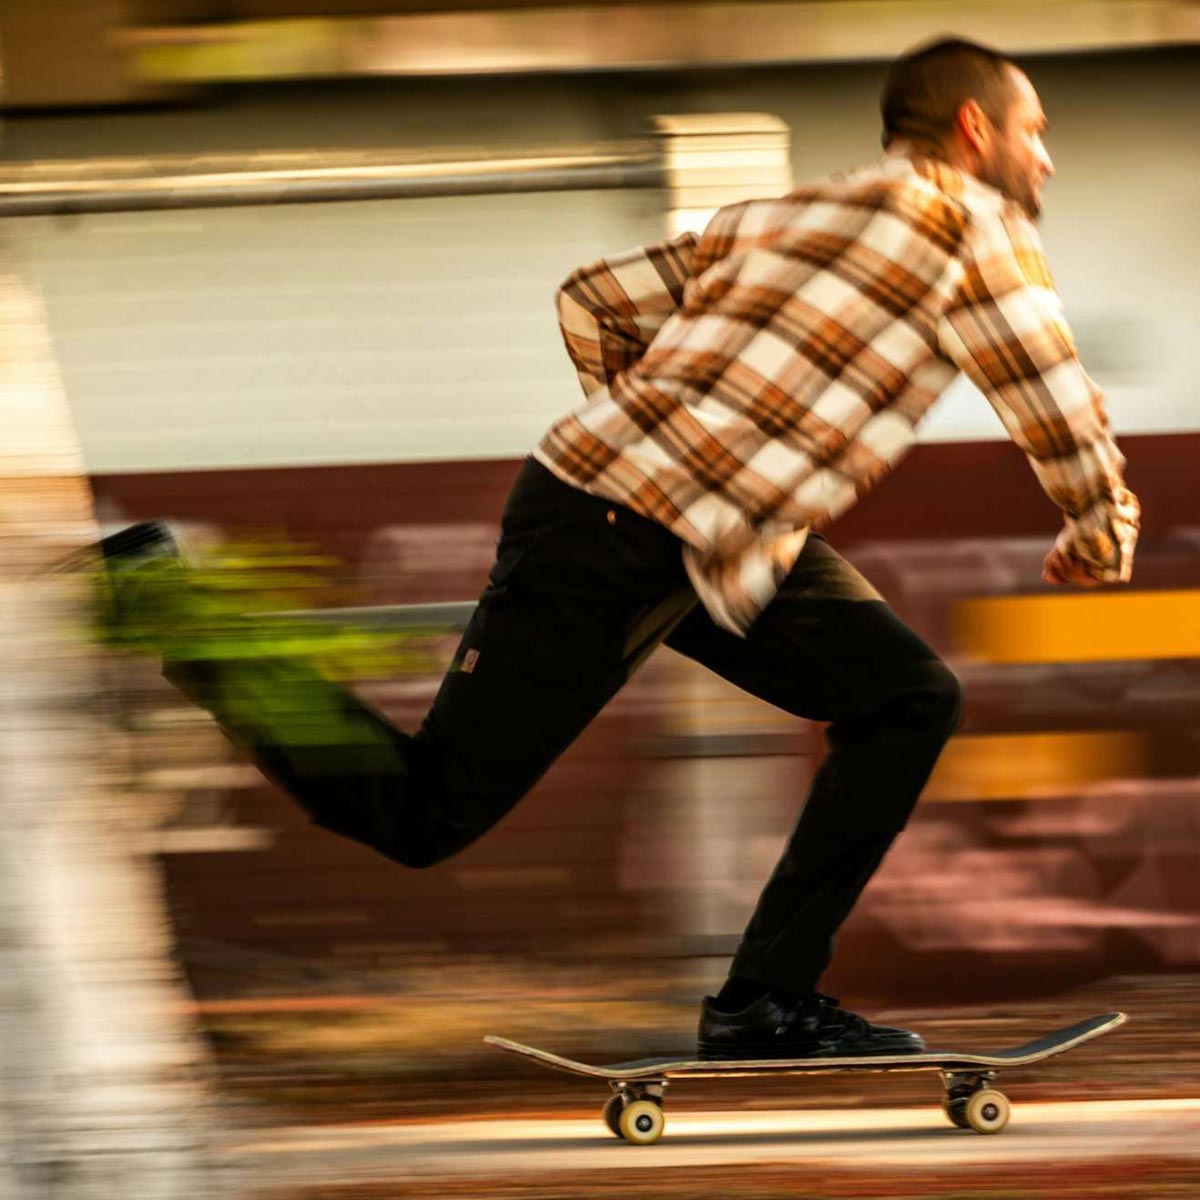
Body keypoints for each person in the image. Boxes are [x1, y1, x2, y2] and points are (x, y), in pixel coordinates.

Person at [98, 37, 1139, 1061]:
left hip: (688, 529)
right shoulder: (975, 223)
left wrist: (672, 431)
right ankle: (177, 608)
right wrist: (1101, 524)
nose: (1044, 157)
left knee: (908, 696)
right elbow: (1046, 387)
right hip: (619, 530)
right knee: (424, 811)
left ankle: (764, 1002)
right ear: (974, 129)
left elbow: (593, 300)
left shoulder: (783, 216)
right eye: (1034, 131)